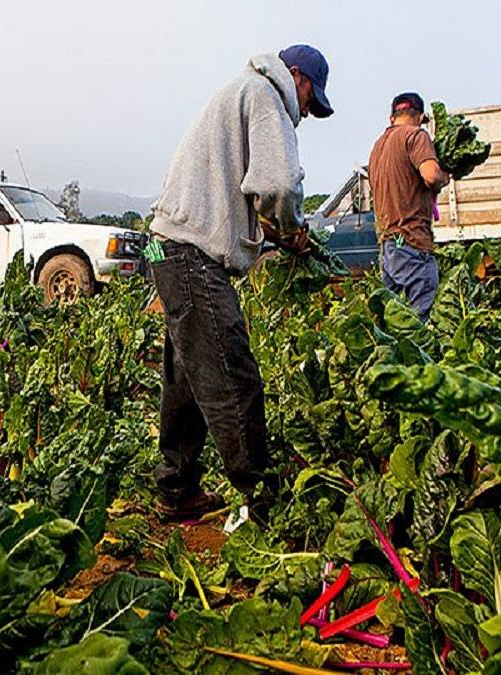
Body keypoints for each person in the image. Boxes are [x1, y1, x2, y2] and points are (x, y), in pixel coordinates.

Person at [147, 45, 333, 522]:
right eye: (311, 102)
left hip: (167, 246)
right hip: (193, 256)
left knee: (187, 377)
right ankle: (264, 501)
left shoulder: (233, 93)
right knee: (234, 377)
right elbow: (279, 185)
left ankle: (176, 487)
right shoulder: (266, 94)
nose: (306, 113)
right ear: (298, 77)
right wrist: (293, 231)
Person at [368, 92, 450, 322]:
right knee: (422, 320)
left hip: (389, 244)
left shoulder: (378, 146)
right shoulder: (415, 136)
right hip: (412, 241)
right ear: (420, 116)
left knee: (394, 322)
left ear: (391, 118)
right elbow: (431, 175)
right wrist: (444, 176)